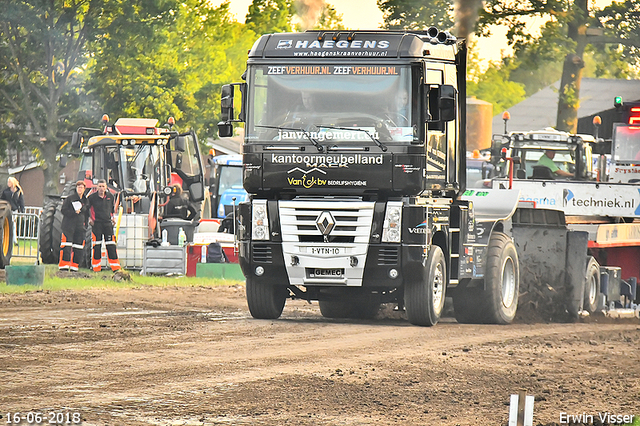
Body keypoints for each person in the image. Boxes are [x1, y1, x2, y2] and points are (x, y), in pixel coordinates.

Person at [87, 179, 121, 272]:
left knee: (111, 245)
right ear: (97, 187)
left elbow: (112, 209)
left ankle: (115, 267)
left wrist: (113, 218)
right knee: (97, 246)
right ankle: (96, 267)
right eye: (100, 186)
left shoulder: (110, 196)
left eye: (103, 186)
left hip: (107, 224)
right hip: (97, 224)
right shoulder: (92, 197)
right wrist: (89, 219)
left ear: (106, 187)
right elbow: (86, 209)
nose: (101, 188)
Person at [59, 181, 89, 271]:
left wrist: (85, 225)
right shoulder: (69, 199)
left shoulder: (86, 201)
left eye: (81, 187)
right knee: (66, 246)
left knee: (78, 247)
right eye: (78, 187)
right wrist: (73, 213)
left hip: (80, 228)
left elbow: (87, 214)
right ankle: (64, 266)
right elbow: (63, 210)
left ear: (84, 189)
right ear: (76, 188)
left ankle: (74, 266)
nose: (80, 189)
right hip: (69, 226)